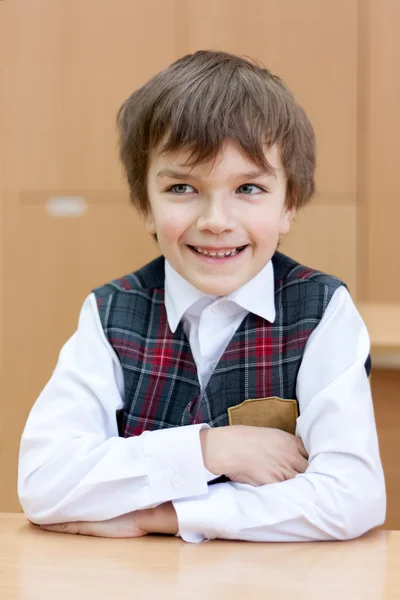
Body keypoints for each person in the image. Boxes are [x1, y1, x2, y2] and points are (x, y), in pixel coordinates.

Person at [18, 50, 385, 542]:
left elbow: (352, 496)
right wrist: (211, 449)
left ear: (288, 206)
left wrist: (160, 515)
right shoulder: (110, 313)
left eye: (249, 188)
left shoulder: (323, 312)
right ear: (145, 205)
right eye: (183, 187)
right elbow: (44, 481)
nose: (215, 220)